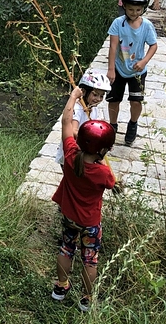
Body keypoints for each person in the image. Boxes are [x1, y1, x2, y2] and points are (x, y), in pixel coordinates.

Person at [50, 92, 117, 312]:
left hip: (69, 217)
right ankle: (86, 298)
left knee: (66, 249)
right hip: (90, 222)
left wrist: (73, 97)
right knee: (90, 259)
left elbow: (66, 121)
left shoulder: (70, 155)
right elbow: (112, 183)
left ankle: (60, 287)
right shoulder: (102, 173)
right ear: (102, 150)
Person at [107, 0, 158, 146]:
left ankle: (133, 124)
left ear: (142, 9)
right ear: (124, 7)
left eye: (138, 9)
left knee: (136, 101)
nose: (134, 13)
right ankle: (113, 126)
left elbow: (153, 46)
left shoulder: (147, 26)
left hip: (138, 71)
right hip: (119, 69)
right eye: (130, 9)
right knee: (114, 100)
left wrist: (144, 62)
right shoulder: (117, 23)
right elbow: (113, 46)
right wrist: (110, 69)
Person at [54, 68, 112, 167]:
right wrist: (92, 140)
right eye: (95, 94)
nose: (98, 99)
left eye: (101, 96)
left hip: (84, 153)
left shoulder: (93, 108)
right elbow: (73, 131)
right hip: (72, 153)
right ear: (84, 92)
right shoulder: (78, 109)